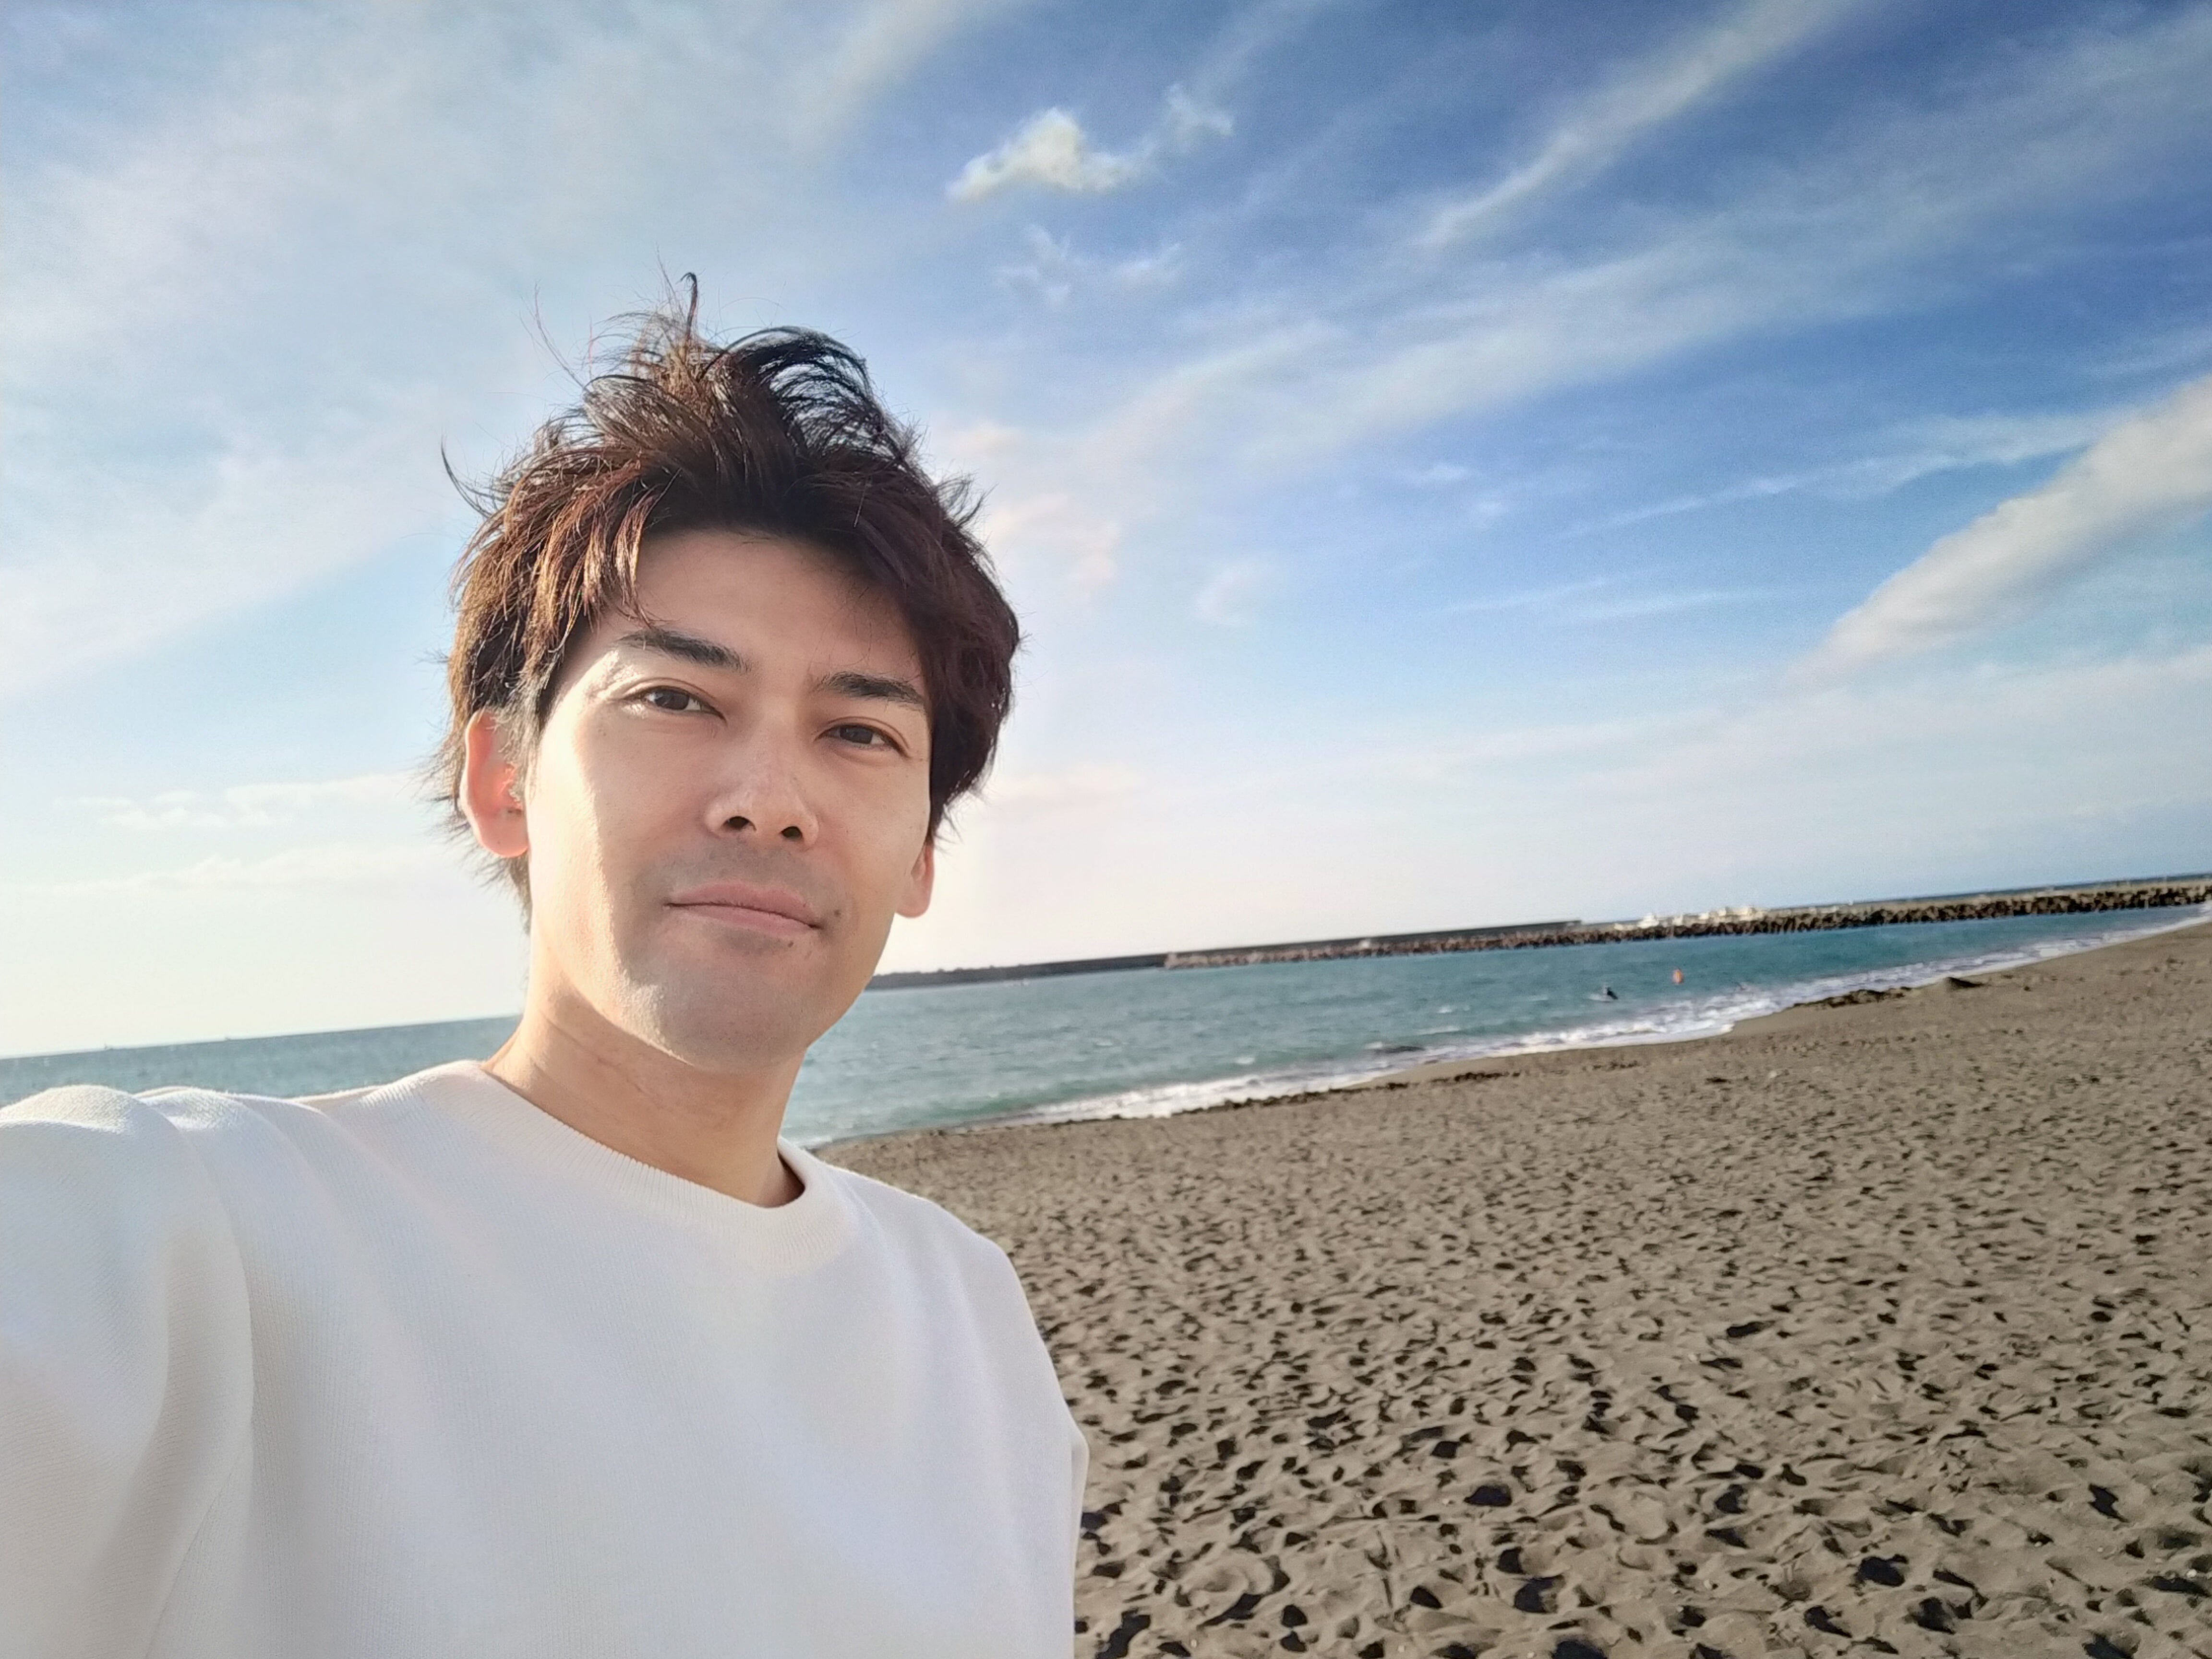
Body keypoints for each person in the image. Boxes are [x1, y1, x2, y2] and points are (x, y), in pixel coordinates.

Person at [0, 299, 1087, 1658]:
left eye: (860, 731)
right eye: (675, 699)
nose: (769, 799)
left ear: (922, 852)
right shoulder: (202, 1241)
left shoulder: (972, 1316)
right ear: (506, 781)